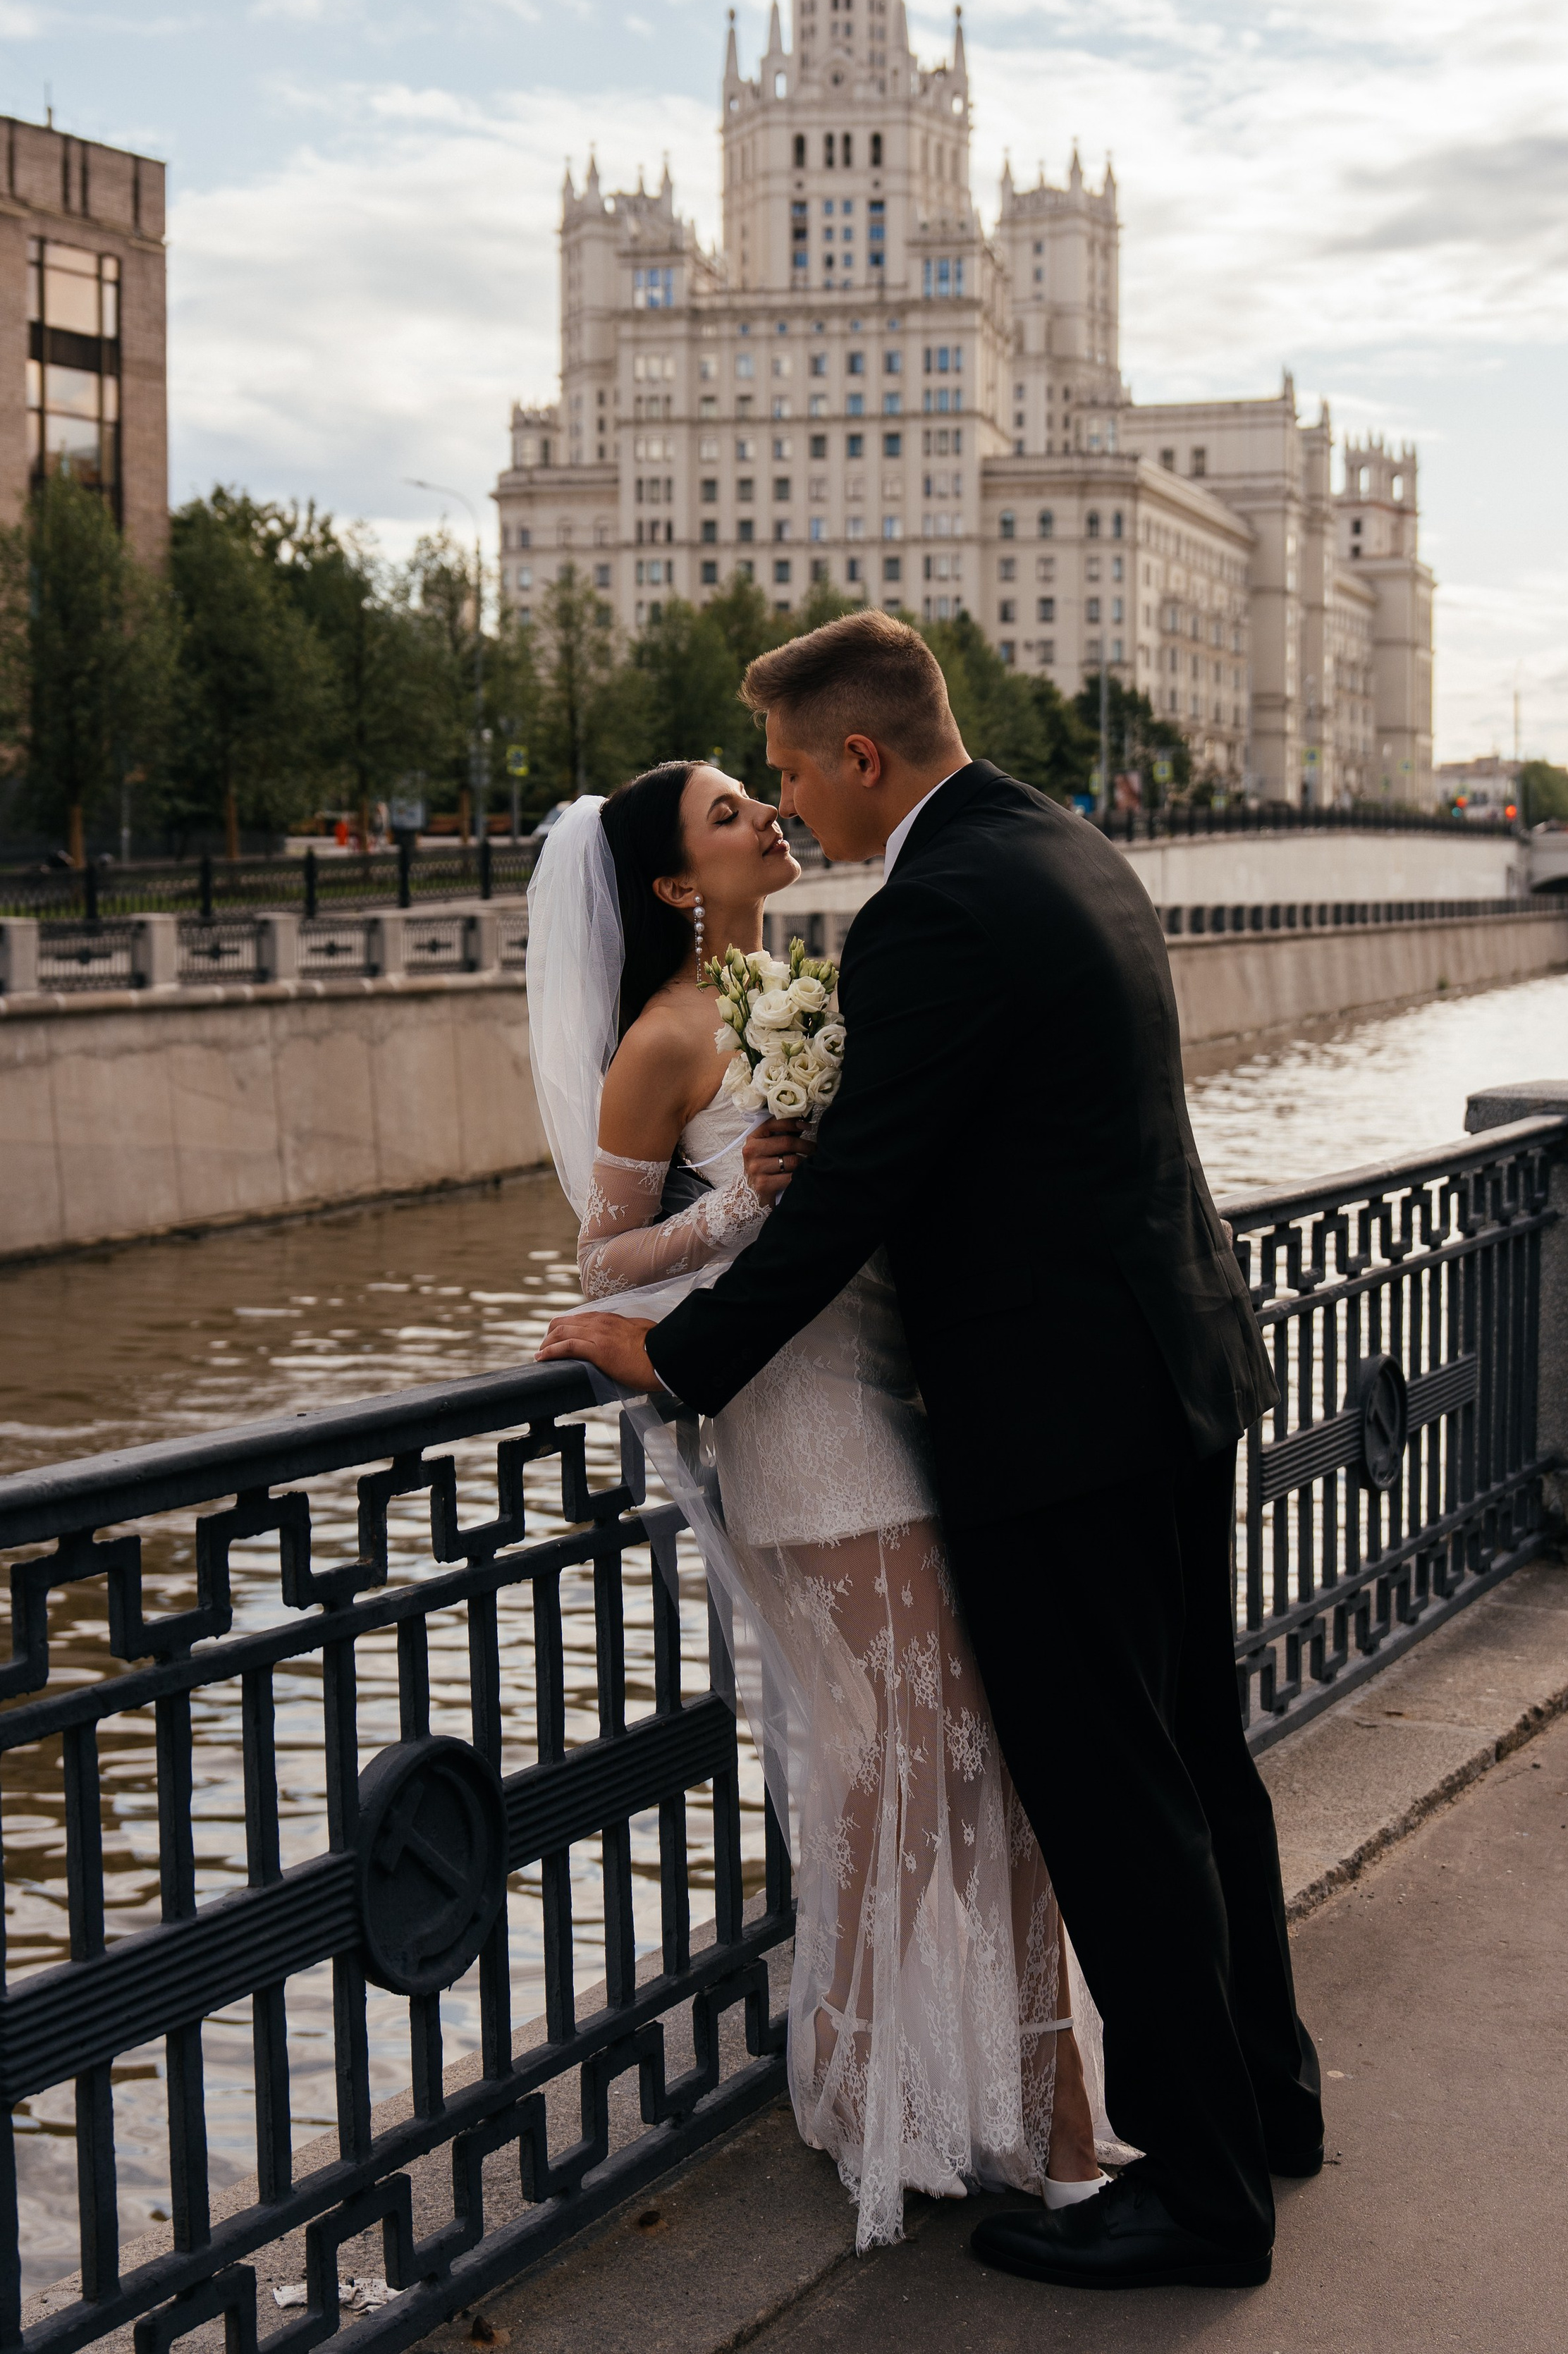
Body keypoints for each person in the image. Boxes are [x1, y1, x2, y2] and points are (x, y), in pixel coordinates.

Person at [539, 610, 1322, 2292]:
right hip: (1172, 1369)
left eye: (790, 769)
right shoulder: (1065, 846)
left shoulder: (932, 908)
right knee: (1198, 1760)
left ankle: (1200, 2197)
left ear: (859, 753)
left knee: (1111, 1799)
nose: (786, 800)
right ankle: (1267, 2102)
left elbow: (851, 1200)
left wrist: (675, 1355)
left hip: (1055, 1422)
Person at [525, 759, 1112, 2255]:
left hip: (899, 1389)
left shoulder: (809, 988)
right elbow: (604, 1256)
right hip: (800, 1422)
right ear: (674, 884)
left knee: (946, 1760)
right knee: (919, 1757)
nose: (765, 817)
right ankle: (953, 2098)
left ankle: (963, 2089)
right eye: (729, 814)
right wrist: (741, 1201)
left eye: (758, 796)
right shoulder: (665, 1035)